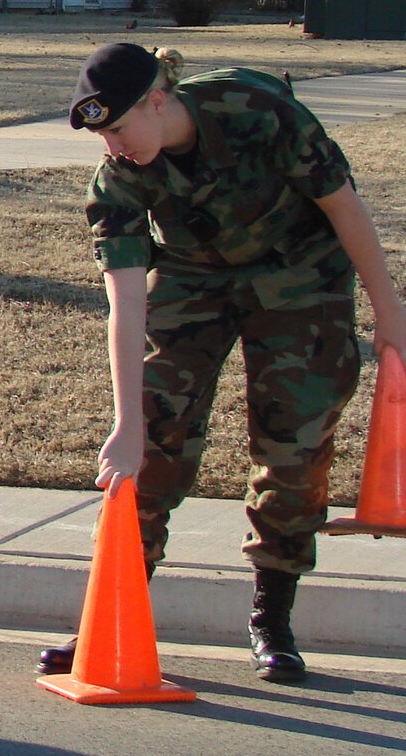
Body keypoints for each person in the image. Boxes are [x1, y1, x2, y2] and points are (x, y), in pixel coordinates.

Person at [43, 42, 406, 682]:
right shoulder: (120, 176)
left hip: (301, 276)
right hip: (193, 278)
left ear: (159, 101)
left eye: (120, 128)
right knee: (152, 441)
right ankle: (108, 618)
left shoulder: (258, 110)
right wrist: (128, 427)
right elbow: (126, 306)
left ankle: (273, 622)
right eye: (102, 136)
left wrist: (390, 315)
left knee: (294, 443)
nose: (114, 147)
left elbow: (344, 207)